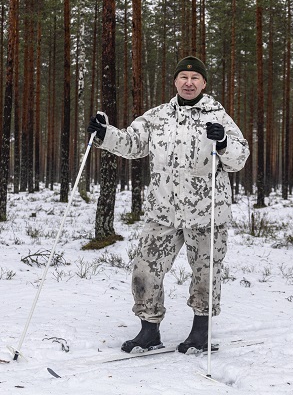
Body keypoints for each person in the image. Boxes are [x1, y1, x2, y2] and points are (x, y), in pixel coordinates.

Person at [87, 56, 249, 354]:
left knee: (206, 272)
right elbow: (132, 143)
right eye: (183, 77)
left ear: (203, 83)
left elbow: (239, 159)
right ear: (175, 82)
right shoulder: (158, 116)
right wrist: (104, 133)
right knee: (145, 270)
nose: (189, 82)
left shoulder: (218, 116)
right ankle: (149, 332)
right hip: (163, 211)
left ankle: (201, 333)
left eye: (195, 78)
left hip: (206, 212)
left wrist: (224, 141)